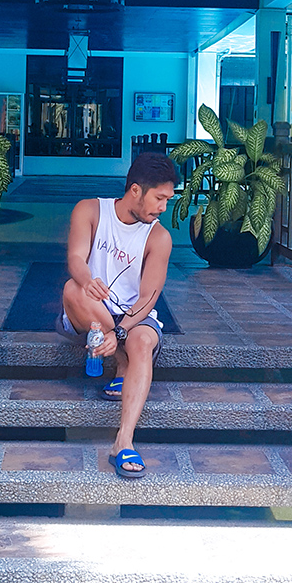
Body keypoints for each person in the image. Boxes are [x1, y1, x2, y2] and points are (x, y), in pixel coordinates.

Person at [56, 152, 178, 478]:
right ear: (135, 190)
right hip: (93, 308)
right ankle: (122, 361)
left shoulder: (159, 237)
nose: (163, 207)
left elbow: (148, 298)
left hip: (134, 317)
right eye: (159, 198)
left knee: (142, 342)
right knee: (71, 290)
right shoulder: (90, 210)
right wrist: (87, 281)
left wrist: (120, 332)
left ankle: (123, 441)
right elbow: (76, 258)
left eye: (168, 199)